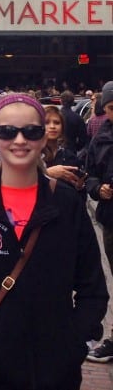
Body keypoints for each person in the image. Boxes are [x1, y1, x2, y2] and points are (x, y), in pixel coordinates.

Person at [0, 94, 108, 390]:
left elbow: (92, 285)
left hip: (56, 363)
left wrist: (74, 341)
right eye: (7, 131)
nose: (20, 140)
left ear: (44, 137)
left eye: (31, 131)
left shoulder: (66, 203)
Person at [85, 80, 113, 363]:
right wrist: (97, 188)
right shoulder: (100, 137)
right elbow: (90, 172)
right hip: (110, 217)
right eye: (111, 108)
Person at [42, 104, 86, 194]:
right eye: (47, 122)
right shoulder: (31, 154)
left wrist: (79, 186)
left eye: (57, 123)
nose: (52, 126)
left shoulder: (69, 156)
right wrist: (48, 174)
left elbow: (78, 194)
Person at [60, 89, 88, 154]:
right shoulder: (78, 118)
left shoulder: (55, 117)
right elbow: (83, 139)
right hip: (71, 151)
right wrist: (76, 147)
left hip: (55, 152)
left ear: (60, 101)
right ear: (73, 102)